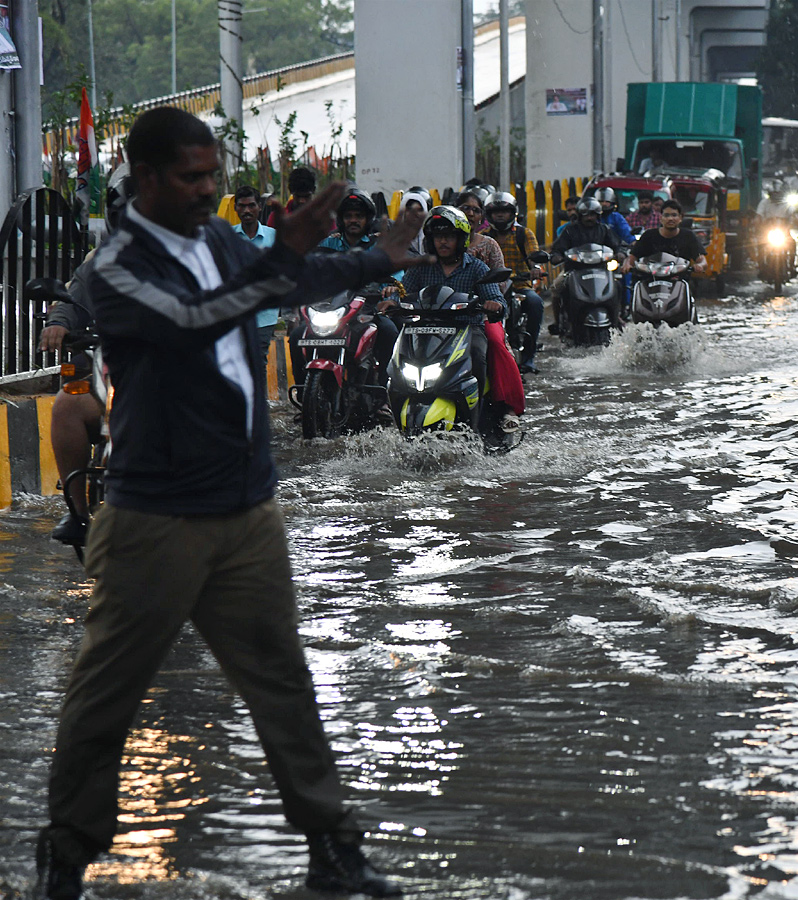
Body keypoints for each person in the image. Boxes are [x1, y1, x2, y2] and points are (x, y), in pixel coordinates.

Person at [34, 106, 429, 900]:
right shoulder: (116, 268)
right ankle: (66, 862)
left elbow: (280, 282)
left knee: (282, 680)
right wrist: (281, 253)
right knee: (106, 695)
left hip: (246, 511)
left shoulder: (217, 240)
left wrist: (367, 264)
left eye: (213, 175)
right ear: (145, 179)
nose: (207, 190)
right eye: (190, 177)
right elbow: (193, 320)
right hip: (156, 520)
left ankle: (333, 851)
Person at [35, 164, 135, 547]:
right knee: (66, 404)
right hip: (112, 379)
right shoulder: (99, 262)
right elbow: (72, 299)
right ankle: (78, 513)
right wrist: (58, 321)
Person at [400, 206, 519, 432]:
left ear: (461, 239)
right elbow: (403, 291)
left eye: (449, 237)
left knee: (478, 355)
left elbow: (497, 298)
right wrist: (392, 300)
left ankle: (479, 418)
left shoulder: (476, 268)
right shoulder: (421, 267)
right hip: (424, 330)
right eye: (438, 237)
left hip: (467, 329)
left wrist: (493, 304)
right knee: (398, 360)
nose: (443, 242)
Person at [289, 188, 400, 387]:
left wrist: (391, 290)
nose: (353, 220)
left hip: (368, 312)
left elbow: (396, 276)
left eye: (359, 216)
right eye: (348, 216)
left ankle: (384, 394)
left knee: (390, 331)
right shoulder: (327, 244)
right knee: (297, 336)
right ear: (341, 219)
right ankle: (302, 393)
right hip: (331, 310)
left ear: (368, 219)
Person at [483, 191, 545, 373]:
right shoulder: (483, 236)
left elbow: (534, 254)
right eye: (496, 212)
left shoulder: (524, 234)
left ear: (513, 213)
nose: (500, 215)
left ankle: (528, 357)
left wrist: (535, 267)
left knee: (536, 303)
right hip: (491, 288)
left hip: (519, 286)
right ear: (489, 215)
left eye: (505, 211)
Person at [549, 196, 625, 332]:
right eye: (586, 215)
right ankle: (558, 322)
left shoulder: (604, 230)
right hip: (574, 270)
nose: (590, 218)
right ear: (580, 215)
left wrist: (620, 253)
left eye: (593, 214)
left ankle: (616, 316)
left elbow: (616, 245)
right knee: (557, 286)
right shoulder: (569, 230)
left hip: (601, 270)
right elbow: (557, 248)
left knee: (618, 285)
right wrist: (557, 256)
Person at [232, 185, 279, 368]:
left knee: (258, 362)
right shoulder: (228, 237)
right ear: (236, 208)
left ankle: (259, 397)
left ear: (259, 206)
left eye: (251, 205)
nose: (247, 211)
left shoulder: (273, 237)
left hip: (264, 315)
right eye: (242, 206)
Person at [624, 198, 708, 274]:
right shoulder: (649, 235)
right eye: (666, 215)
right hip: (650, 282)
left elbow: (702, 260)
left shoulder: (688, 236)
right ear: (661, 218)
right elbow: (632, 258)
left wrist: (700, 265)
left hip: (679, 282)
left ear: (680, 218)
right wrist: (627, 265)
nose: (670, 218)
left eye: (674, 215)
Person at [456, 188, 505, 272]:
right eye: (466, 208)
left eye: (476, 210)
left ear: (481, 218)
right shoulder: (445, 242)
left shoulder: (489, 245)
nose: (470, 214)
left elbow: (500, 280)